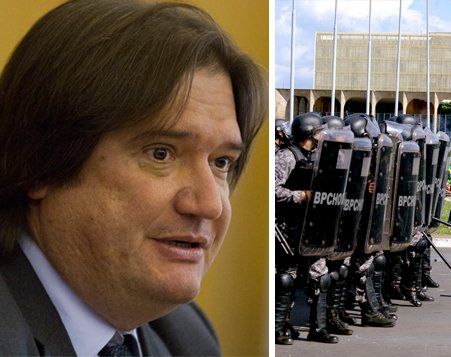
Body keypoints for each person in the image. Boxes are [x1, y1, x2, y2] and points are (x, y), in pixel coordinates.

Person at [0, 1, 266, 355]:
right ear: (41, 161)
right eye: (161, 153)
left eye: (221, 162)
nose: (210, 204)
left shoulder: (186, 337)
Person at [274, 113, 343, 344]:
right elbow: (271, 190)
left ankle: (318, 328)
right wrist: (301, 196)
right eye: (319, 131)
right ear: (309, 134)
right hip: (289, 228)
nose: (323, 134)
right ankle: (279, 327)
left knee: (320, 277)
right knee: (287, 278)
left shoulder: (321, 156)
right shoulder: (287, 156)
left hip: (314, 227)